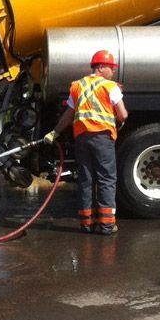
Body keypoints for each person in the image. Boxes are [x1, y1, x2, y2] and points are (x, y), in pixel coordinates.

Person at [44, 49, 128, 235]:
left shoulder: (78, 86)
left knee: (86, 180)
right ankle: (106, 225)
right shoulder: (110, 86)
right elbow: (123, 115)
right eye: (111, 67)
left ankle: (86, 224)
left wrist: (55, 132)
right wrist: (114, 113)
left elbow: (68, 114)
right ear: (100, 67)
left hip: (82, 139)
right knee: (106, 179)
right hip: (102, 138)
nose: (113, 71)